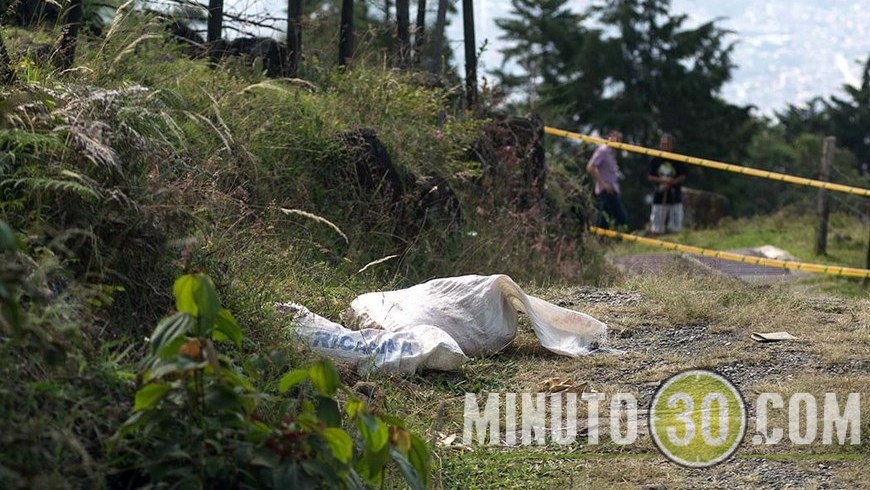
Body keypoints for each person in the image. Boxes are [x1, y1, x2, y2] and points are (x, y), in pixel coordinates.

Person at [586, 130, 628, 229]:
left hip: (612, 189)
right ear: (609, 137)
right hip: (605, 190)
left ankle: (606, 241)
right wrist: (603, 184)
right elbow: (591, 167)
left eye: (620, 139)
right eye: (615, 138)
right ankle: (605, 240)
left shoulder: (612, 153)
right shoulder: (603, 151)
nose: (618, 141)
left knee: (607, 220)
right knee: (619, 218)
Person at [647, 133, 687, 234]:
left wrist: (672, 182)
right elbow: (650, 176)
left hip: (674, 195)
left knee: (676, 223)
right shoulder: (655, 159)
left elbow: (683, 175)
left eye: (667, 144)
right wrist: (663, 182)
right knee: (657, 223)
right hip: (659, 194)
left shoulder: (677, 158)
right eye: (663, 144)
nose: (665, 147)